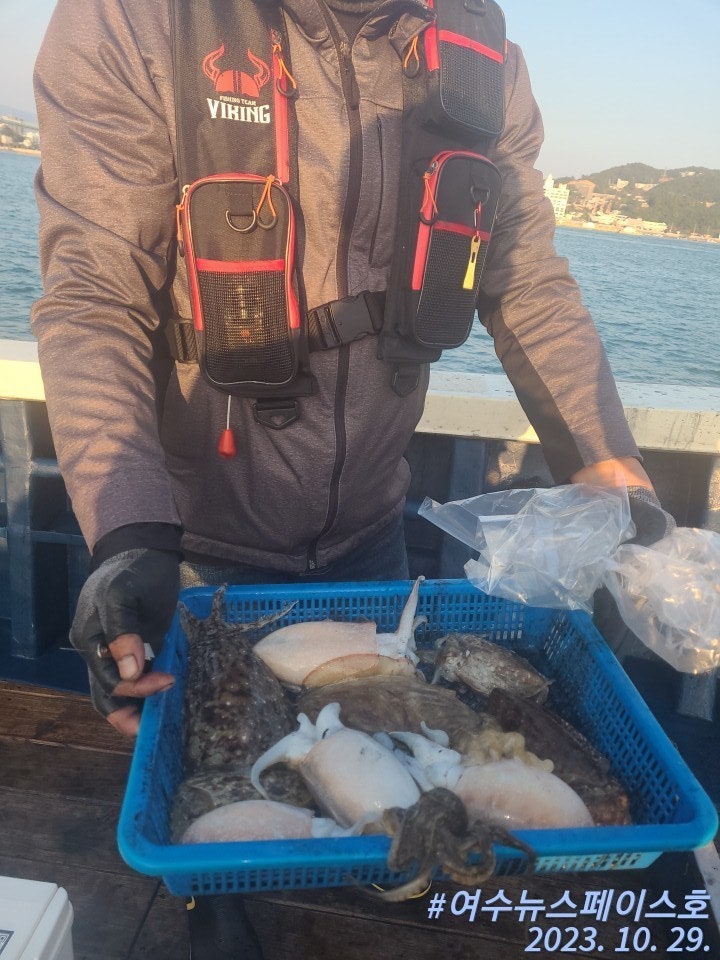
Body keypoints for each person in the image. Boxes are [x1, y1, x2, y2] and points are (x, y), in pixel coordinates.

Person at [32, 0, 673, 955]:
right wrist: (128, 534)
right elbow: (94, 290)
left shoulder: (480, 52)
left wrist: (607, 465)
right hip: (197, 549)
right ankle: (215, 898)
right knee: (217, 778)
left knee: (400, 762)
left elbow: (527, 276)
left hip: (372, 534)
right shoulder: (134, 18)